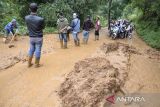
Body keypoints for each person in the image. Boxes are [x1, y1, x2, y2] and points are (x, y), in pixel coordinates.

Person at [25, 3, 45, 68]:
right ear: (37, 9)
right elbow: (43, 27)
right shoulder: (40, 19)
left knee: (31, 50)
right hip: (39, 37)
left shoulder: (26, 18)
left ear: (29, 9)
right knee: (38, 50)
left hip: (31, 37)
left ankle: (29, 63)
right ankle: (36, 64)